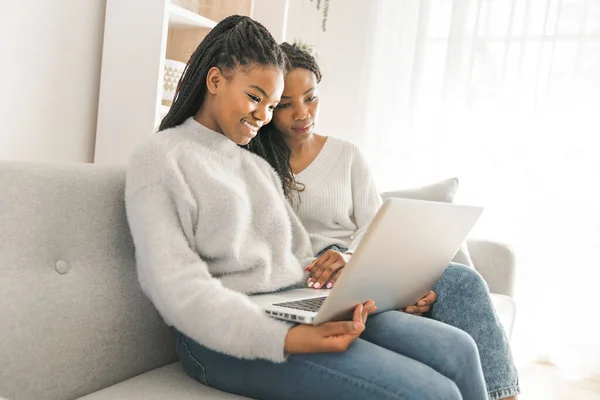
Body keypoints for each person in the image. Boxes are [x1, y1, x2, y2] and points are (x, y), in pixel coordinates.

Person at [125, 16, 488, 400]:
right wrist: (294, 337)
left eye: (269, 105)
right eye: (255, 98)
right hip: (219, 334)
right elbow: (178, 289)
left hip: (291, 302)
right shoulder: (161, 159)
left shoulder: (251, 163)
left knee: (457, 350)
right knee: (430, 391)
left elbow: (291, 259)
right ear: (215, 81)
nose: (263, 116)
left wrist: (361, 291)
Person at [248, 42, 520, 400]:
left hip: (362, 262)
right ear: (269, 106)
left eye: (311, 98)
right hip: (315, 278)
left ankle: (504, 395)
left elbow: (373, 225)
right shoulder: (255, 161)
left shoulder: (347, 155)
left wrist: (352, 259)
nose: (302, 113)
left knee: (464, 280)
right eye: (286, 105)